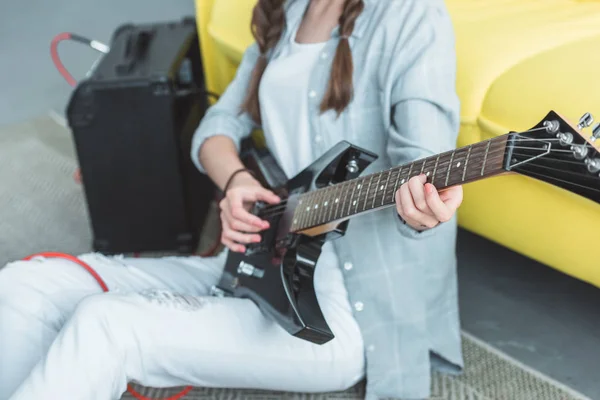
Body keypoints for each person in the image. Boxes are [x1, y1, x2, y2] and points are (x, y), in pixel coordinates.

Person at [0, 0, 464, 399]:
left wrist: (423, 208)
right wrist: (237, 181)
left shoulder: (410, 13)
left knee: (106, 325)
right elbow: (218, 125)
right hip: (260, 261)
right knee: (25, 285)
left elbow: (425, 160)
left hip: (347, 315)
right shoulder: (289, 11)